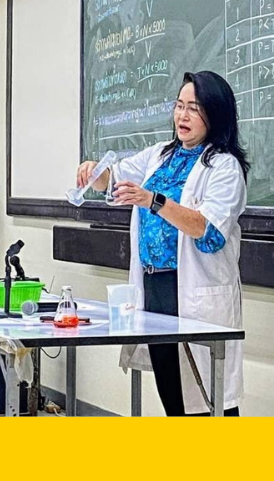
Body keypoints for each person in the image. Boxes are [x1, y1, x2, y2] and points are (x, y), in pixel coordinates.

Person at [76, 71, 249, 416]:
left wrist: (154, 201)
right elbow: (115, 178)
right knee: (173, 395)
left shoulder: (224, 167)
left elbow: (208, 231)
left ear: (215, 114)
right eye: (179, 106)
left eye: (194, 108)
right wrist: (95, 172)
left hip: (193, 291)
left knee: (208, 399)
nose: (183, 115)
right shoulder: (160, 155)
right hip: (155, 288)